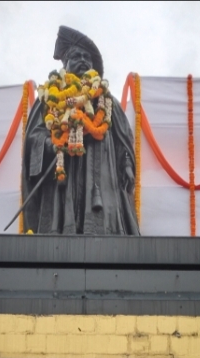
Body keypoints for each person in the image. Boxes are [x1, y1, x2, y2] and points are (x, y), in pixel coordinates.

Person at [21, 26, 139, 235]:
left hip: (102, 176)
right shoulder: (50, 97)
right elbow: (34, 137)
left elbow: (124, 138)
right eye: (77, 56)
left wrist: (127, 164)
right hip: (62, 174)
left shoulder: (106, 100)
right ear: (65, 64)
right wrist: (53, 144)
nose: (83, 60)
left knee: (103, 228)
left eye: (87, 57)